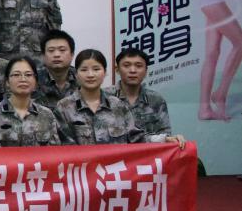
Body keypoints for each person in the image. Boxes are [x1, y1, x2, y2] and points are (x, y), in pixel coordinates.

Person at [54, 49, 186, 146]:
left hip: (116, 172)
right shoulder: (64, 107)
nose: (90, 75)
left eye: (96, 69)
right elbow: (62, 148)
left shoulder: (117, 105)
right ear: (76, 74)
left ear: (105, 72)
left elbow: (136, 138)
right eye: (84, 70)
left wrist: (164, 139)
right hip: (82, 173)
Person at [0, 57, 62, 147]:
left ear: (36, 82)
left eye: (28, 75)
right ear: (7, 81)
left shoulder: (46, 115)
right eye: (16, 75)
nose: (23, 79)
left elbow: (54, 152)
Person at [106, 48, 173, 137]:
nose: (133, 70)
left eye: (138, 66)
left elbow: (165, 135)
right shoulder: (104, 97)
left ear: (146, 71)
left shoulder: (156, 99)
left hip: (148, 146)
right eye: (126, 65)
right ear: (117, 69)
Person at [34, 29, 78, 106]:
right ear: (43, 56)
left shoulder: (81, 78)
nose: (56, 55)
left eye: (62, 50)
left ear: (72, 55)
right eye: (51, 50)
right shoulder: (32, 79)